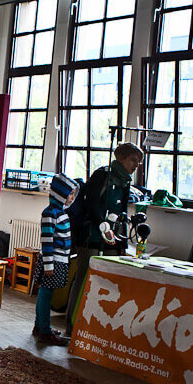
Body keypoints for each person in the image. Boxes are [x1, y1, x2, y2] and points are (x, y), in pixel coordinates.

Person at [64, 142, 144, 336]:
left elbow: (122, 210)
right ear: (120, 157)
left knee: (107, 283)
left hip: (112, 238)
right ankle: (72, 326)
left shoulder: (125, 182)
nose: (136, 165)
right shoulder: (102, 175)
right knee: (83, 279)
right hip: (91, 236)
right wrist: (102, 225)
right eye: (133, 160)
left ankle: (96, 327)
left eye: (139, 162)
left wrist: (121, 238)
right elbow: (91, 205)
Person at [32, 174, 78, 346]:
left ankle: (39, 326)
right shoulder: (50, 213)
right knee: (46, 295)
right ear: (60, 194)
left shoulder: (60, 212)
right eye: (70, 194)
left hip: (59, 261)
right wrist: (49, 265)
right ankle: (45, 331)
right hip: (53, 262)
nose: (72, 197)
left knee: (45, 294)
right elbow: (47, 241)